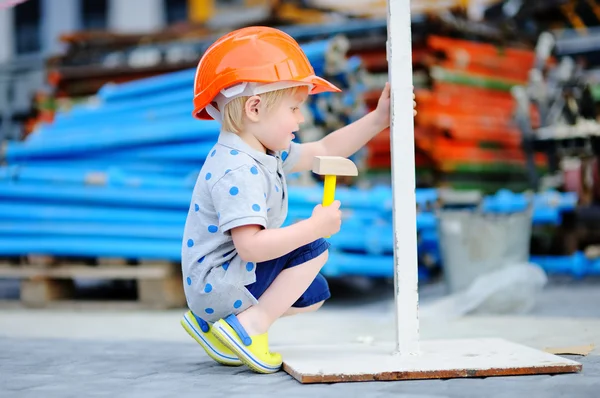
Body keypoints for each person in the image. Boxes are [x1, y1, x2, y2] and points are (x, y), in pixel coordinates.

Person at [179, 26, 416, 374]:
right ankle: (249, 327)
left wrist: (379, 119)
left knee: (312, 291)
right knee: (312, 248)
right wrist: (312, 228)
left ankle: (218, 330)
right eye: (294, 108)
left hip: (221, 282)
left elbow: (324, 149)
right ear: (255, 108)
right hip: (216, 283)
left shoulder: (261, 149)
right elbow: (252, 249)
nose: (301, 119)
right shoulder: (238, 170)